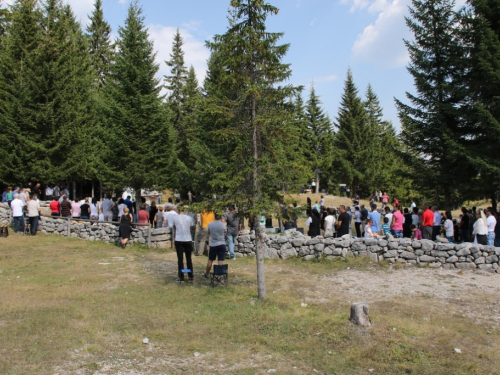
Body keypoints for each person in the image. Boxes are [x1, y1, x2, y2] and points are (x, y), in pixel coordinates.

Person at [173, 206, 195, 282]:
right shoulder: (189, 218)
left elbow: (174, 227)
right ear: (184, 211)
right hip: (187, 239)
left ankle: (181, 276)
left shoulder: (175, 218)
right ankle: (190, 276)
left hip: (179, 239)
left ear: (178, 211)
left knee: (180, 259)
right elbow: (191, 228)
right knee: (189, 259)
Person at [202, 214, 227, 279]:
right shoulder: (223, 224)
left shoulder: (210, 224)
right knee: (220, 260)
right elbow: (225, 233)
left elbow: (209, 233)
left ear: (214, 216)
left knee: (210, 260)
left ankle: (207, 274)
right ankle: (219, 276)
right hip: (221, 243)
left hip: (213, 244)